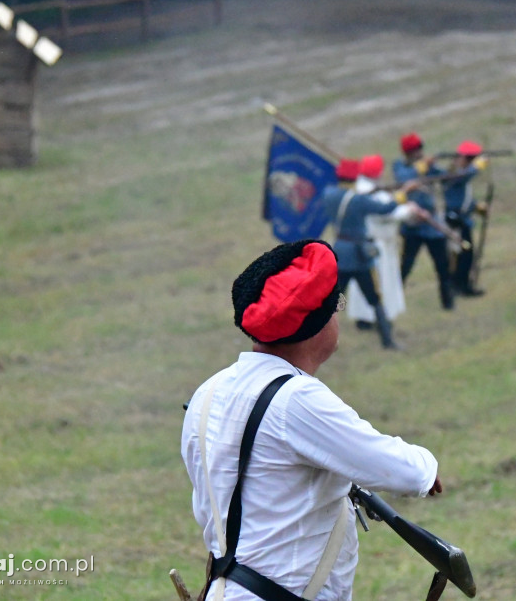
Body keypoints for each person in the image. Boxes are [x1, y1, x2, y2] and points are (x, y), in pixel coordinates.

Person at [181, 239, 442, 600]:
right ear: (316, 324)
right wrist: (428, 465)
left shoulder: (207, 394)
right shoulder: (298, 399)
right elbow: (407, 473)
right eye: (336, 306)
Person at [324, 155, 418, 350]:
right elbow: (385, 208)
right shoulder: (358, 200)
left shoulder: (329, 194)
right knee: (375, 298)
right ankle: (387, 340)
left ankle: (319, 340)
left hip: (339, 252)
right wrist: (402, 194)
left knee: (332, 301)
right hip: (359, 255)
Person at [346, 156, 409, 334]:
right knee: (380, 283)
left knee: (364, 287)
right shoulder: (371, 193)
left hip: (367, 243)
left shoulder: (359, 189)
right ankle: (377, 318)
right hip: (377, 244)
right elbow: (388, 212)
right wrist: (406, 206)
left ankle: (365, 318)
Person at [393, 132, 455, 311]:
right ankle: (393, 303)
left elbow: (445, 178)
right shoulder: (400, 166)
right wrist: (421, 167)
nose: (419, 152)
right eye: (416, 150)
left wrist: (456, 168)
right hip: (412, 225)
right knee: (405, 268)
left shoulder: (428, 166)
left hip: (432, 226)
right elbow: (403, 179)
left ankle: (448, 302)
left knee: (443, 266)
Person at [442, 141, 488, 296]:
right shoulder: (454, 173)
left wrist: (475, 207)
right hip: (455, 220)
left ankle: (463, 284)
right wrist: (475, 167)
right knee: (459, 255)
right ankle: (457, 286)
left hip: (463, 219)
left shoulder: (461, 173)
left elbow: (463, 197)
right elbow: (462, 179)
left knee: (466, 255)